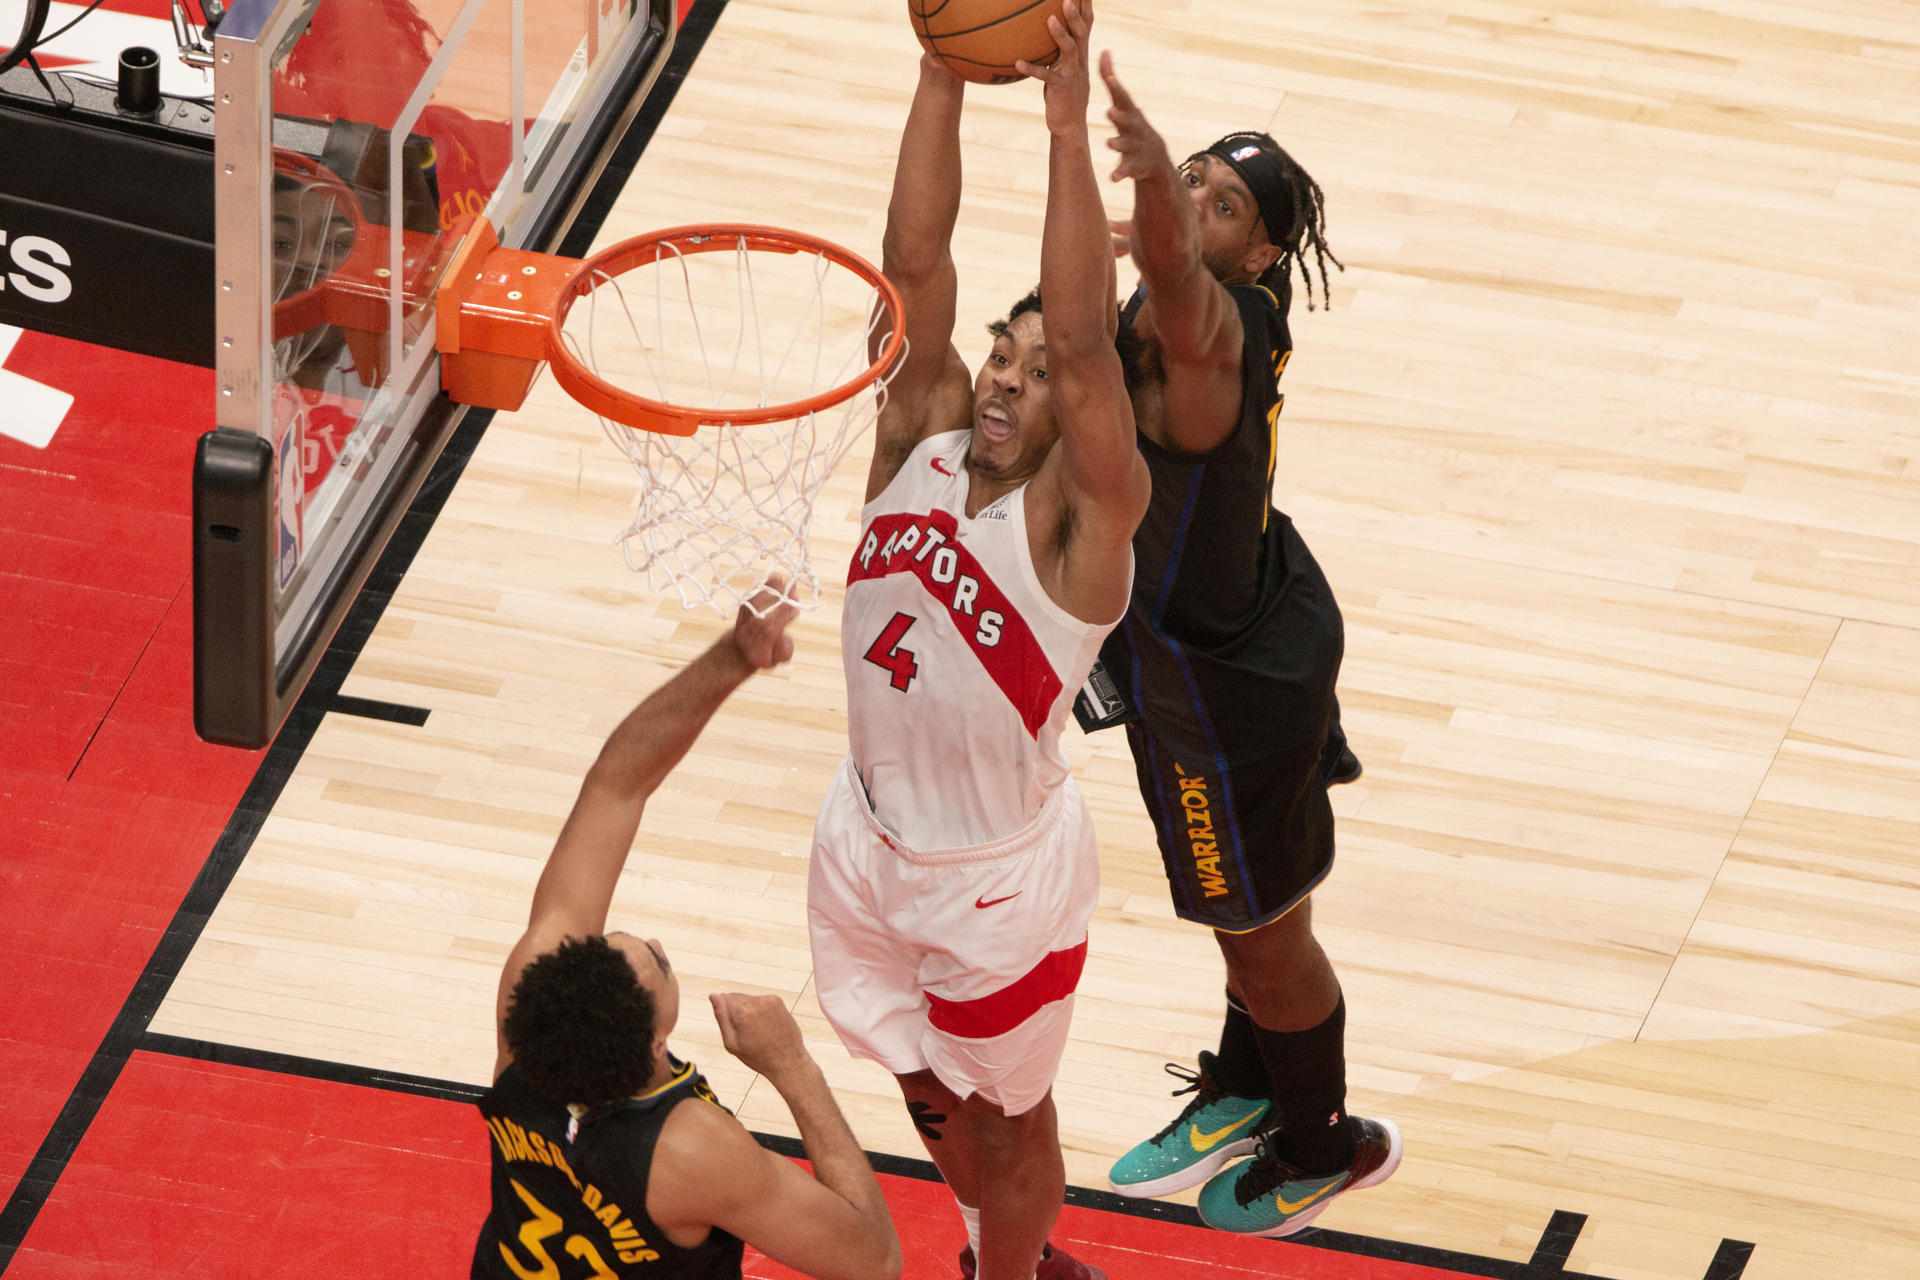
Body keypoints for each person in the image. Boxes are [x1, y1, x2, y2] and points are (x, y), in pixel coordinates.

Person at [805, 6, 1148, 1280]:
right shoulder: (921, 437)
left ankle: (1006, 1272)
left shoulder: (1080, 529)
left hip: (995, 878)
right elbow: (915, 256)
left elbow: (1087, 337)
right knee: (925, 1086)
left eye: (1032, 368)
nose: (1004, 377)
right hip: (865, 834)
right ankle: (997, 1245)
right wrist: (939, 68)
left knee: (1013, 1116)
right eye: (999, 358)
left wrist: (1063, 125)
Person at [1089, 57, 1401, 1239]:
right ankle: (1250, 1080)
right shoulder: (1167, 300)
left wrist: (1112, 138)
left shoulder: (1217, 325)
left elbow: (1166, 273)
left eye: (1225, 204)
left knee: (1264, 926)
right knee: (1229, 902)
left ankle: (1325, 1143)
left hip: (1230, 681)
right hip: (1214, 629)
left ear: (1262, 256)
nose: (1194, 204)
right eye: (1195, 181)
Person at [473, 581, 902, 1280]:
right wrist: (792, 1067)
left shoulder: (526, 1041)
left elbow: (615, 785)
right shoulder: (690, 1149)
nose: (659, 944)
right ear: (653, 1040)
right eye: (660, 964)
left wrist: (733, 657)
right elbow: (876, 1261)